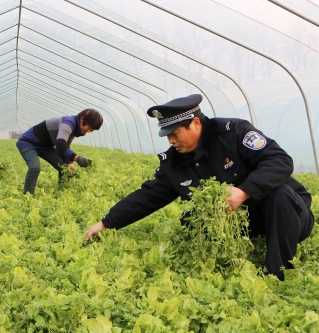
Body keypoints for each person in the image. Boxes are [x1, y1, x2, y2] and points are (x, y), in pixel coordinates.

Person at [84, 94, 314, 280]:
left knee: (280, 193)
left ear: (195, 123)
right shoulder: (175, 162)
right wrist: (106, 223)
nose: (171, 141)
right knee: (191, 218)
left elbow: (279, 160)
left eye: (175, 134)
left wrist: (243, 191)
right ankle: (226, 261)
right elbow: (148, 197)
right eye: (167, 136)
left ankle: (276, 275)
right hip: (247, 224)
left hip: (291, 216)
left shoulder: (234, 133)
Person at [16, 109, 103, 194]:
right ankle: (28, 195)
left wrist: (69, 162)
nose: (89, 131)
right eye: (89, 127)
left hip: (45, 146)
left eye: (92, 130)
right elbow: (60, 144)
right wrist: (77, 158)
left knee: (65, 167)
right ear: (82, 119)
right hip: (28, 143)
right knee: (35, 167)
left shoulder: (76, 128)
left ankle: (62, 193)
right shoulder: (68, 123)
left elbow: (66, 145)